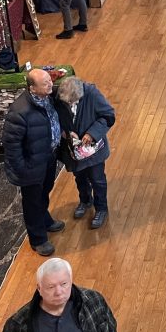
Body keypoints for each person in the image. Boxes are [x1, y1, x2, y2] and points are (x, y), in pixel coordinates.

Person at [3, 69, 65, 257]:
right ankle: (38, 239)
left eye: (49, 81)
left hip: (47, 157)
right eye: (45, 83)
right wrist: (23, 170)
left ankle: (45, 219)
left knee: (44, 191)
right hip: (31, 166)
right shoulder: (19, 112)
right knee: (31, 202)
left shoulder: (47, 97)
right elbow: (11, 146)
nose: (50, 85)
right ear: (32, 88)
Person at [0, 258, 119, 332]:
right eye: (51, 287)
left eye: (64, 284)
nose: (59, 292)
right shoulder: (17, 324)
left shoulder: (94, 301)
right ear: (39, 288)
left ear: (71, 281)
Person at [56, 76, 115, 230]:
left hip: (94, 150)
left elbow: (108, 116)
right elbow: (55, 119)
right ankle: (85, 200)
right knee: (79, 177)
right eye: (67, 103)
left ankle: (101, 208)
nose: (70, 105)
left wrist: (91, 134)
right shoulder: (58, 96)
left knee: (98, 180)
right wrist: (65, 132)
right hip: (73, 150)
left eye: (73, 103)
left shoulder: (92, 94)